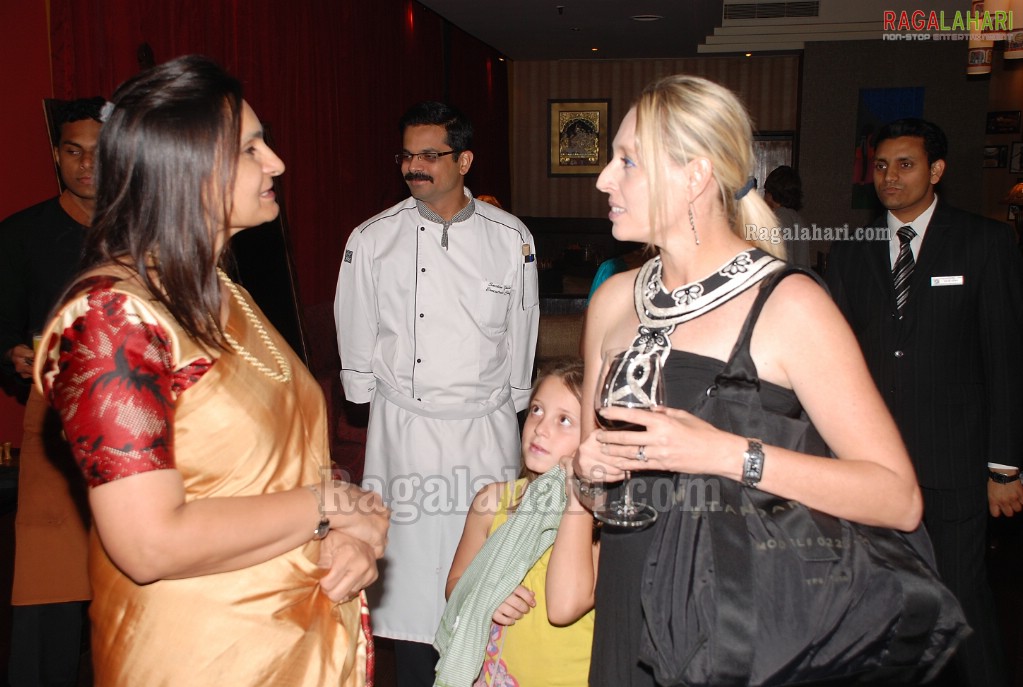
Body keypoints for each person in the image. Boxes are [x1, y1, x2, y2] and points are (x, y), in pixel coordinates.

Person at [32, 55, 389, 686]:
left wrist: (352, 533)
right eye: (251, 148)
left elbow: (273, 467)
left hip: (291, 639)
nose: (275, 162)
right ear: (186, 170)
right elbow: (149, 544)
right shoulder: (113, 318)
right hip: (204, 655)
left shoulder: (227, 294)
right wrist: (326, 506)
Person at [571, 74, 922, 686]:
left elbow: (897, 498)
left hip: (736, 615)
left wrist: (724, 453)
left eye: (627, 161)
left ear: (695, 175)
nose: (604, 178)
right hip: (627, 591)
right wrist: (587, 473)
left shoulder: (789, 306)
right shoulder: (613, 301)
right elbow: (588, 476)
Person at [334, 100, 539, 687]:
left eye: (431, 154)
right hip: (407, 431)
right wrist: (361, 391)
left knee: (489, 568)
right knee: (412, 582)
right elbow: (357, 324)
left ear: (464, 159)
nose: (413, 166)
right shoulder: (373, 239)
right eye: (407, 154)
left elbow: (523, 327)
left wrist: (521, 401)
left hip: (485, 426)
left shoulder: (511, 238)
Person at [825, 118, 1023, 687]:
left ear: (936, 170)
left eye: (905, 165)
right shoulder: (852, 250)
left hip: (954, 461)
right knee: (875, 595)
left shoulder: (983, 242)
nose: (890, 177)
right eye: (881, 166)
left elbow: (1006, 358)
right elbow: (837, 357)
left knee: (960, 596)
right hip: (871, 462)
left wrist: (1004, 463)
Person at [0, 95, 104, 687]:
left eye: (99, 152)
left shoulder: (146, 232)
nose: (86, 164)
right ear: (56, 157)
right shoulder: (21, 234)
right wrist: (10, 353)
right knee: (50, 586)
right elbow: (2, 326)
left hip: (149, 423)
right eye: (73, 151)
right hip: (54, 425)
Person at [444, 359, 596, 686]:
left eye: (565, 420)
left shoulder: (599, 524)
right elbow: (455, 582)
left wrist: (578, 494)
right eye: (537, 410)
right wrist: (485, 595)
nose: (541, 428)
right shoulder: (491, 502)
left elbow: (565, 607)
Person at [762, 165, 810, 268]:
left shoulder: (777, 220)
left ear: (770, 195)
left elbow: (782, 262)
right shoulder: (797, 218)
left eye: (765, 192)